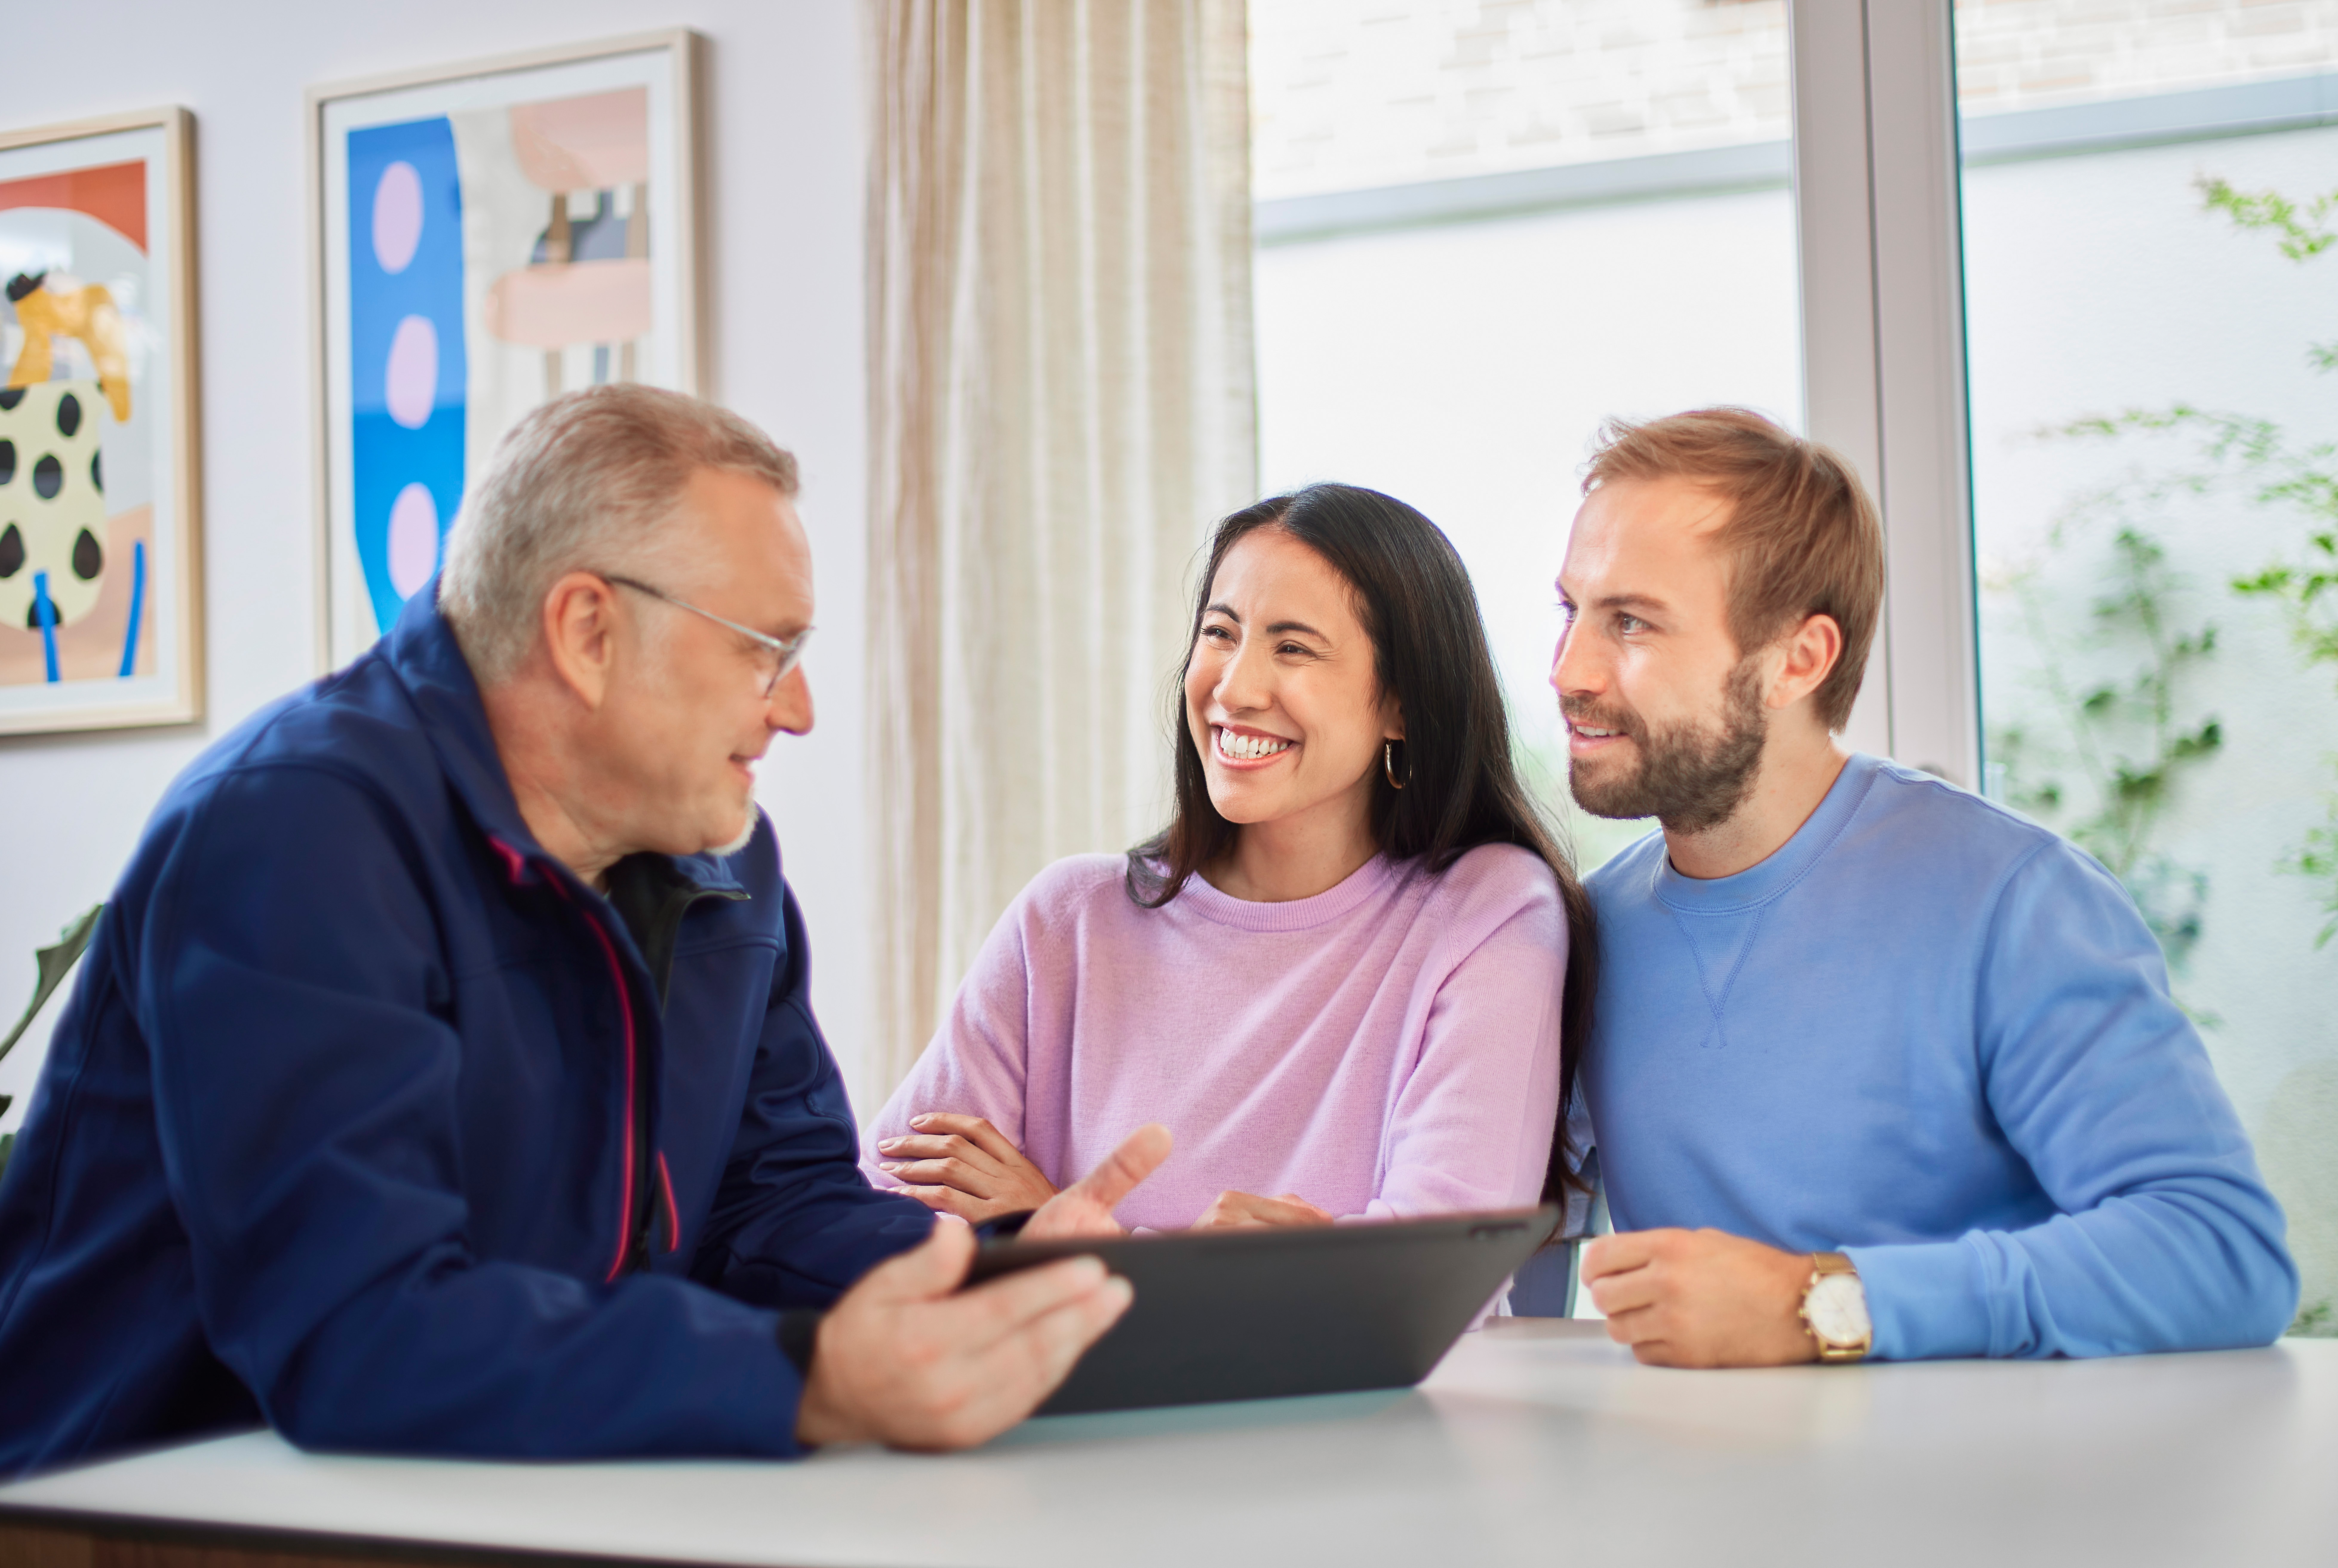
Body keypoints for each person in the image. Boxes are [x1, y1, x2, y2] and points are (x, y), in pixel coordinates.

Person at [0, 386, 1170, 1477]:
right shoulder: (295, 832)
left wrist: (1000, 1276)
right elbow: (363, 1333)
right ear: (588, 632)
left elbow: (772, 1210)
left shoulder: (725, 862)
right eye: (765, 649)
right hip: (138, 1513)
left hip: (504, 1487)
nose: (798, 708)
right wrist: (807, 1376)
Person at [1554, 408, 2297, 1366]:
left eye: (1631, 623)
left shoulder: (2013, 902)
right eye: (1571, 612)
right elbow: (1507, 1237)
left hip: (1992, 1461)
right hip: (1698, 1460)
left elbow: (2222, 1254)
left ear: (1798, 660)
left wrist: (1817, 1304)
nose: (1569, 671)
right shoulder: (1586, 934)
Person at [864, 484, 1593, 1236]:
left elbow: (1436, 1267)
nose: (1234, 687)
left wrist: (1059, 1229)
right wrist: (1204, 1272)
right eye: (1220, 633)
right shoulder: (1068, 919)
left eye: (1292, 647)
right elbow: (876, 1214)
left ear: (1402, 703)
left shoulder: (1489, 910)